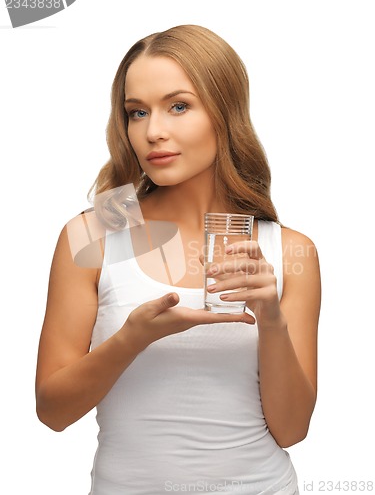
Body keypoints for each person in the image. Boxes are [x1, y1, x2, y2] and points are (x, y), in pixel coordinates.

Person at [35, 25, 321, 494]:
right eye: (137, 112)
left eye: (179, 106)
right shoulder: (95, 231)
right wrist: (132, 339)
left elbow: (292, 430)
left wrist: (271, 320)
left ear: (224, 113)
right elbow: (52, 412)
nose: (153, 131)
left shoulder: (289, 249)